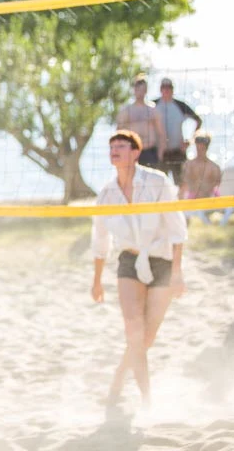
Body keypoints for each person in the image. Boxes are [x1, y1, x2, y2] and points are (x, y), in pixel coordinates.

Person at [91, 130, 187, 408]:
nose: (115, 150)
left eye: (121, 145)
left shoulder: (157, 182)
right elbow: (100, 241)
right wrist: (96, 281)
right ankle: (147, 399)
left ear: (135, 152)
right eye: (112, 146)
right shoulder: (107, 194)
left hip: (162, 261)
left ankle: (118, 381)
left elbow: (177, 230)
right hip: (129, 262)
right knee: (134, 331)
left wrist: (178, 273)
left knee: (146, 337)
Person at [154, 77, 202, 184]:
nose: (166, 90)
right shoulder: (153, 105)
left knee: (182, 184)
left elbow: (198, 121)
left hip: (178, 151)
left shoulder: (180, 106)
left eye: (169, 87)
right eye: (164, 87)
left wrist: (189, 141)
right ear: (160, 89)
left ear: (173, 89)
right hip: (160, 153)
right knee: (160, 185)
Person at [116, 74, 166, 168]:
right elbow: (119, 134)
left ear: (146, 91)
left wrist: (160, 154)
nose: (140, 93)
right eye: (138, 89)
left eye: (143, 90)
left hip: (150, 152)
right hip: (132, 152)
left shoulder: (153, 110)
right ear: (134, 90)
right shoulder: (126, 110)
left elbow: (161, 134)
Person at [179, 130, 222, 200]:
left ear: (206, 146)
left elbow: (216, 188)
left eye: (202, 148)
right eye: (198, 146)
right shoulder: (188, 165)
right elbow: (183, 186)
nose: (199, 149)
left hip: (208, 200)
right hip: (192, 200)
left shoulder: (214, 167)